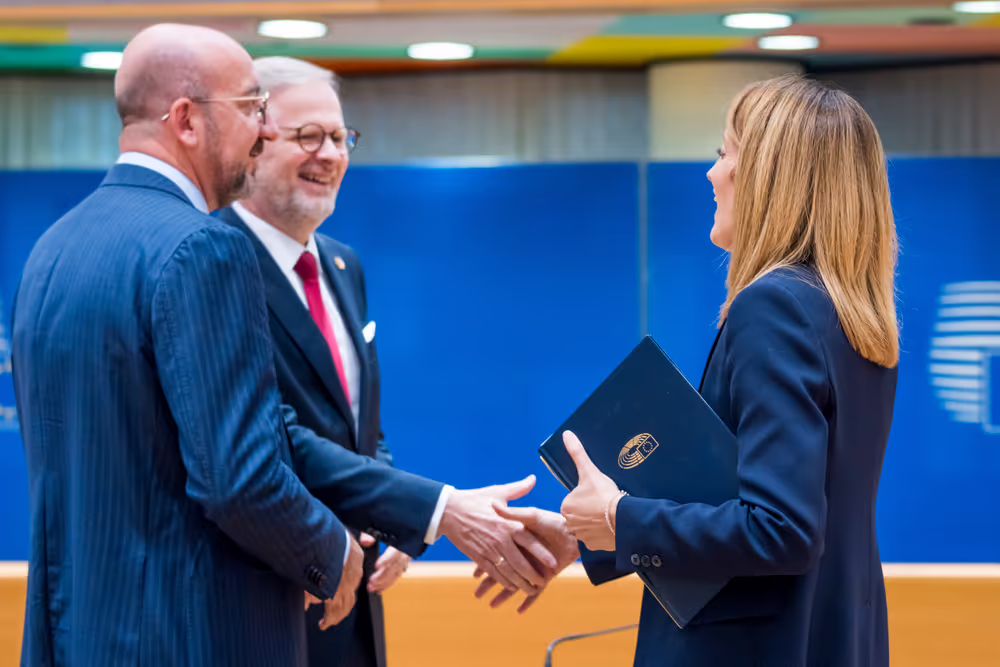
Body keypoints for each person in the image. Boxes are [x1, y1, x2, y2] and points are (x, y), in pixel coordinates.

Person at [12, 24, 553, 667]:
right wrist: (335, 549)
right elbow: (241, 471)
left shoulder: (52, 250)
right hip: (195, 631)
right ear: (186, 120)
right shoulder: (203, 249)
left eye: (338, 136)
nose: (261, 129)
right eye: (252, 109)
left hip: (80, 633)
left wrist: (394, 517)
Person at [481, 75, 900, 667]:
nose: (711, 173)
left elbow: (780, 529)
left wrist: (618, 516)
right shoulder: (846, 315)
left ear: (768, 176)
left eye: (724, 153)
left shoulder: (773, 306)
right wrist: (590, 536)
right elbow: (753, 502)